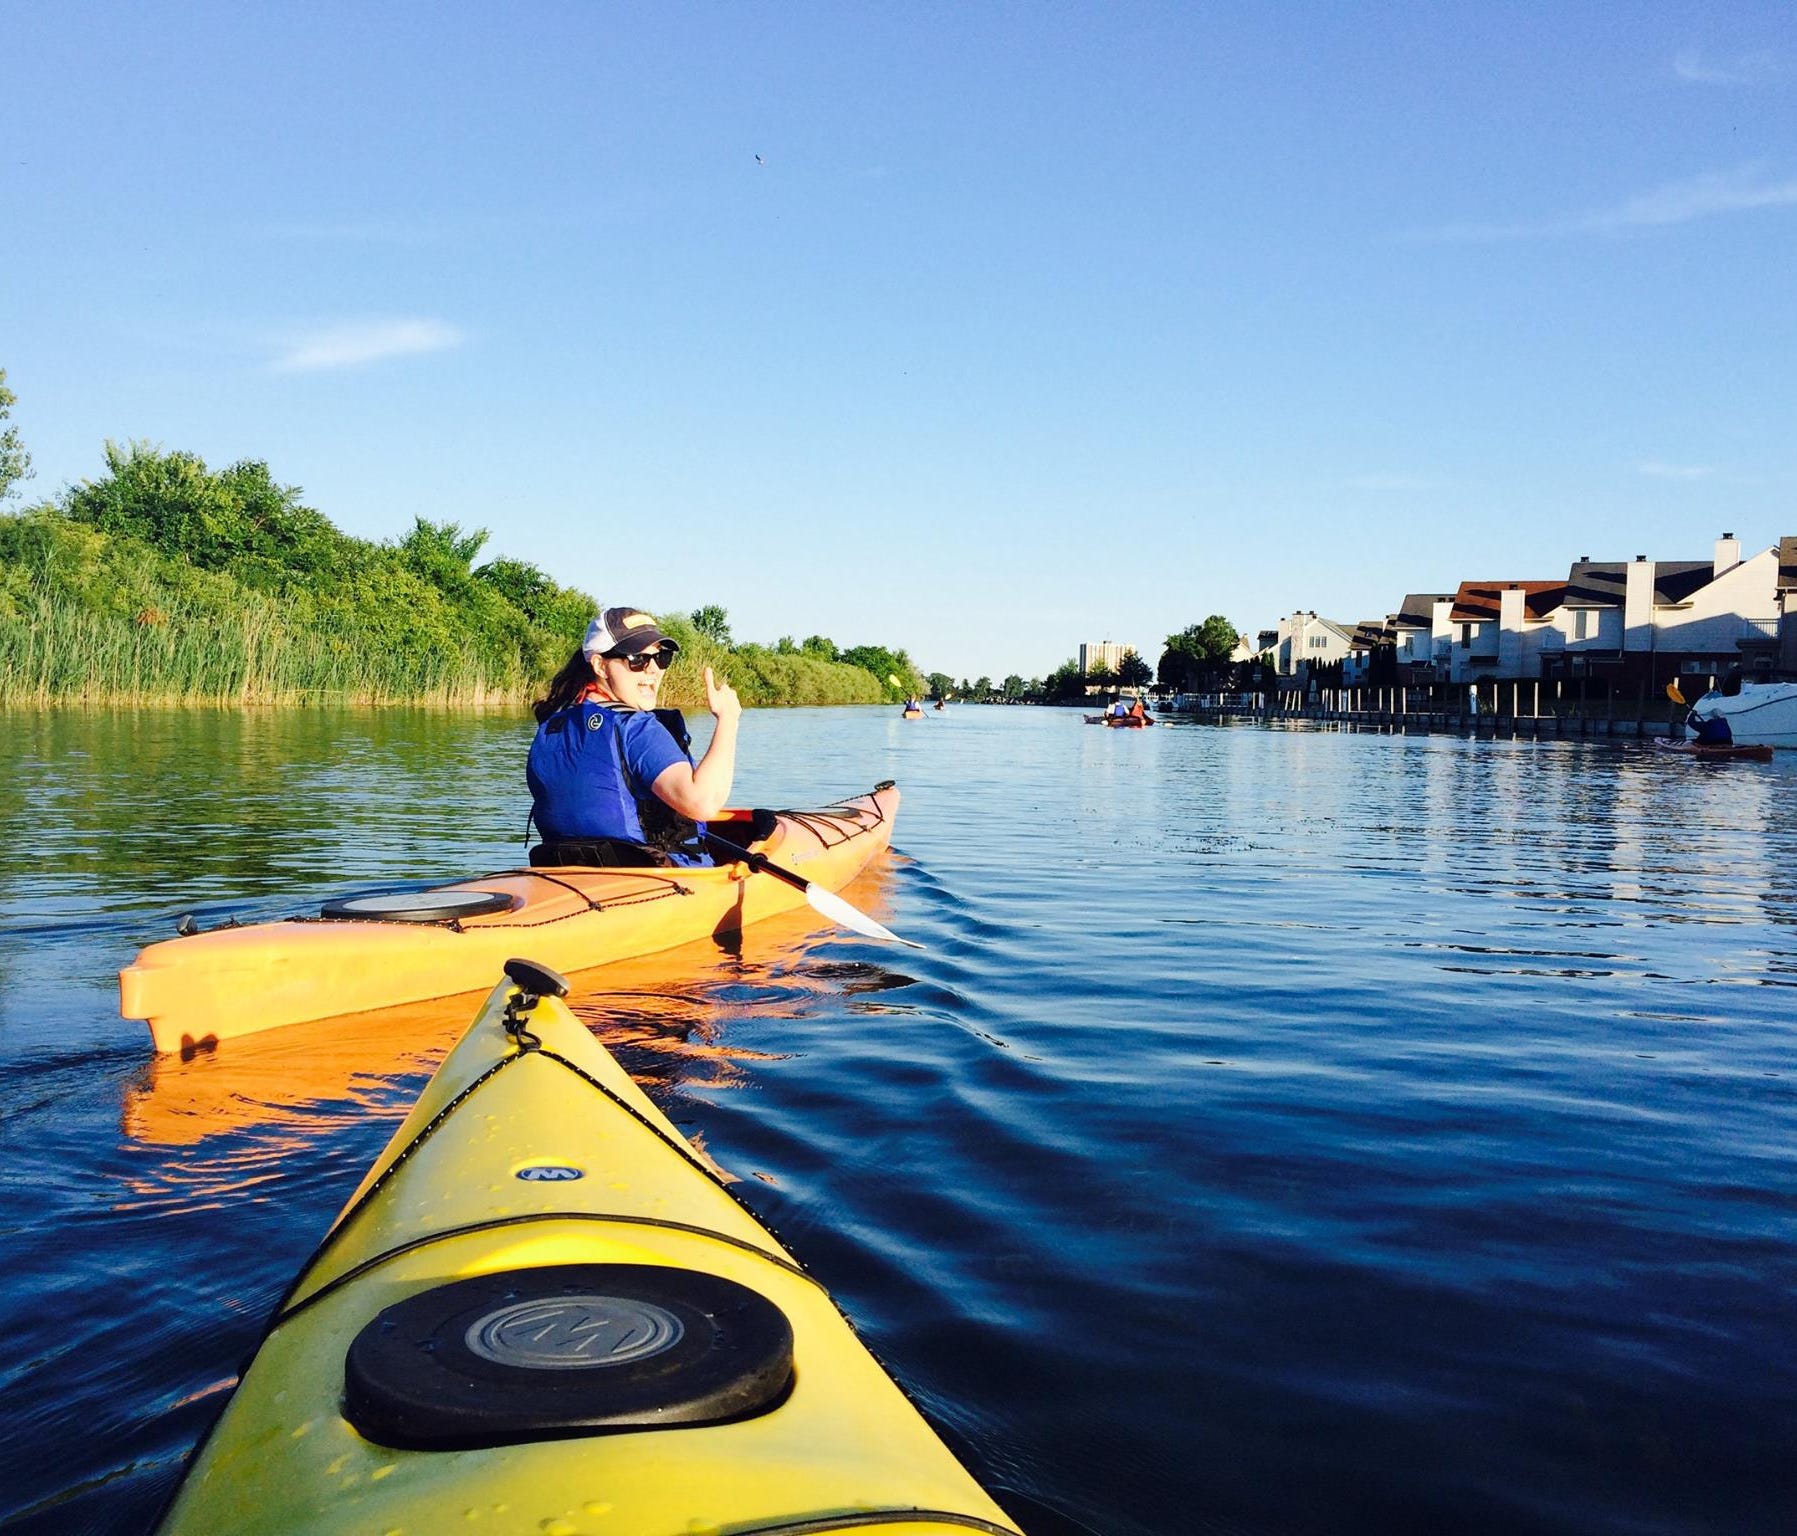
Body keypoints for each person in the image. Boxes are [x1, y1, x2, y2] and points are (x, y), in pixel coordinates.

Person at [527, 607, 741, 867]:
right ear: (599, 665)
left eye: (661, 657)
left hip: (567, 874)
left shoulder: (552, 726)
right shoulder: (636, 727)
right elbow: (702, 803)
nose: (652, 670)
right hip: (651, 880)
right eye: (636, 659)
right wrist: (728, 719)